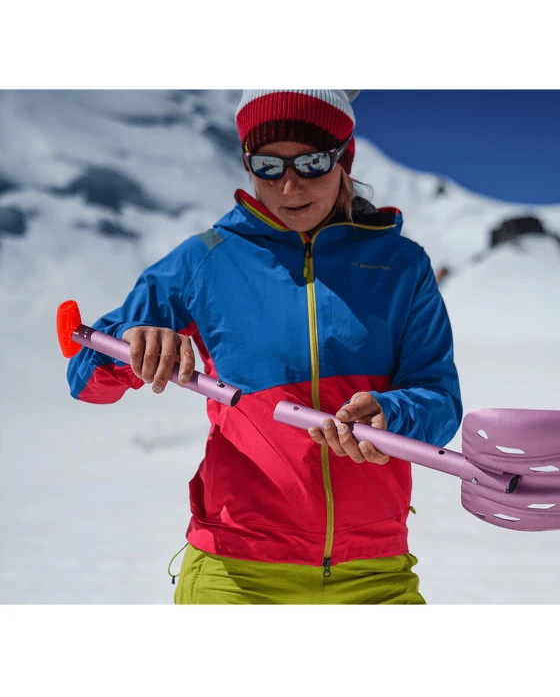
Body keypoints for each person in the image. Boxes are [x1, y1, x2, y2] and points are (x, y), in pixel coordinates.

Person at [67, 89, 462, 604]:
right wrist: (132, 343)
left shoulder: (402, 265)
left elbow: (439, 399)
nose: (290, 185)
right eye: (268, 166)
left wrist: (393, 414)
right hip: (236, 571)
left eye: (311, 163)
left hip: (374, 571)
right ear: (247, 165)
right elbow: (85, 377)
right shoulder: (204, 260)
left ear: (344, 159)